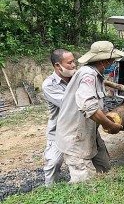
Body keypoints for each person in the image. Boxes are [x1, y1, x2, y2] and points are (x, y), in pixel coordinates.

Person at [55, 41, 124, 183]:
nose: (113, 63)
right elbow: (88, 105)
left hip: (89, 133)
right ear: (105, 61)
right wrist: (109, 125)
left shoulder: (96, 74)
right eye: (112, 60)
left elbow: (96, 104)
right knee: (85, 182)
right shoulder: (88, 75)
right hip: (75, 136)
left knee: (105, 169)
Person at [42, 49, 76, 186]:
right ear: (57, 66)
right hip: (59, 130)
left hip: (78, 127)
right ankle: (50, 189)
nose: (74, 65)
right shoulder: (49, 85)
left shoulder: (76, 77)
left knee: (89, 158)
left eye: (74, 61)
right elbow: (69, 104)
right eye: (70, 63)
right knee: (54, 162)